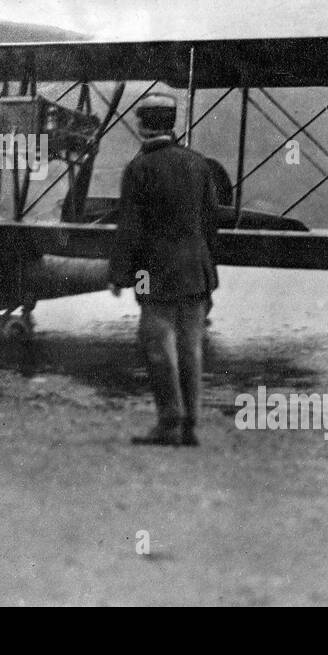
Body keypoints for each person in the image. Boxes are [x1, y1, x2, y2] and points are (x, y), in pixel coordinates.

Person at [108, 93, 219, 447]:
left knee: (157, 346)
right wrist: (208, 273)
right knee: (191, 349)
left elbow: (130, 229)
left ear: (142, 126)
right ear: (170, 124)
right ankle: (190, 425)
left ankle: (169, 422)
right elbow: (211, 224)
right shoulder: (199, 164)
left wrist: (120, 274)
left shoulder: (138, 169)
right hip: (196, 272)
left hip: (154, 273)